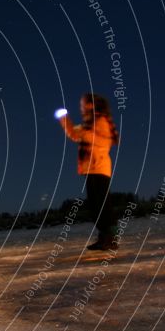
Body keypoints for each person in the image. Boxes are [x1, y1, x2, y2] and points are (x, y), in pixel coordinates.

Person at [57, 92, 120, 250]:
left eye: (83, 103)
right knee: (95, 205)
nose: (81, 107)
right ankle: (104, 237)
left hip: (99, 167)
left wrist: (81, 131)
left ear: (91, 105)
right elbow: (74, 134)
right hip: (91, 168)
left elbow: (91, 137)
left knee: (102, 205)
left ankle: (111, 238)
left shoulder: (101, 121)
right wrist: (64, 119)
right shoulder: (90, 122)